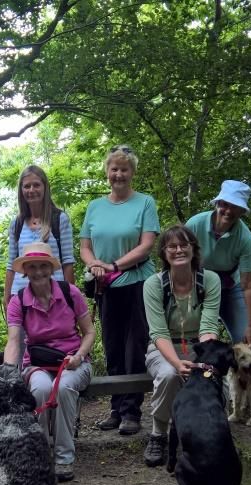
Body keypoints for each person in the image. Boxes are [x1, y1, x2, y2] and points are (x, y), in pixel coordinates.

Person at [79, 145, 160, 436]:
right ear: (107, 172)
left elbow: (147, 244)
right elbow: (85, 246)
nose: (118, 174)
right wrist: (96, 266)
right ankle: (115, 409)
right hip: (105, 286)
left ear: (132, 172)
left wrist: (113, 265)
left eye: (124, 169)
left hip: (138, 282)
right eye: (114, 169)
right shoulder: (95, 207)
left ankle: (131, 412)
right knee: (112, 346)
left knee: (134, 346)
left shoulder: (145, 203)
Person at [3, 243, 95, 482]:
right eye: (32, 266)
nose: (38, 271)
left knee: (64, 387)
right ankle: (41, 454)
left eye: (43, 265)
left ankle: (64, 457)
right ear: (25, 271)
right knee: (41, 389)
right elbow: (14, 341)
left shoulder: (70, 292)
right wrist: (8, 373)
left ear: (51, 267)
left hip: (74, 361)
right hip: (37, 363)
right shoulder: (18, 301)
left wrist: (78, 356)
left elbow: (89, 333)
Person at [141, 226, 222, 467]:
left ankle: (205, 435)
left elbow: (209, 327)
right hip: (163, 348)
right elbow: (158, 332)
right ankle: (158, 434)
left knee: (213, 378)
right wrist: (177, 363)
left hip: (200, 346)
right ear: (164, 253)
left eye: (184, 244)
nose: (178, 250)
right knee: (168, 375)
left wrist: (203, 363)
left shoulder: (210, 280)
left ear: (193, 248)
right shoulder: (153, 285)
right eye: (172, 246)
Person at [184, 180, 251, 345]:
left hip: (229, 288)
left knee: (245, 340)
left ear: (242, 212)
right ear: (217, 203)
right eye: (225, 204)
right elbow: (177, 261)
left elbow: (248, 285)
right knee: (187, 335)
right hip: (194, 285)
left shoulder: (245, 238)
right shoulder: (195, 224)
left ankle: (241, 370)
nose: (228, 211)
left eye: (235, 207)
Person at [4, 165, 75, 298]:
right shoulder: (17, 224)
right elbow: (11, 264)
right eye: (26, 186)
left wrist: (70, 298)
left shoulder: (59, 219)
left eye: (36, 185)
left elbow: (67, 262)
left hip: (54, 296)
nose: (31, 190)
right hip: (21, 298)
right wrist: (7, 297)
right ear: (21, 190)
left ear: (45, 187)